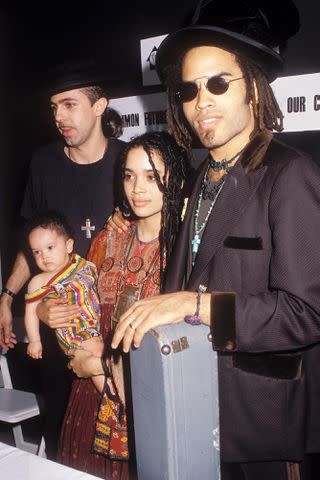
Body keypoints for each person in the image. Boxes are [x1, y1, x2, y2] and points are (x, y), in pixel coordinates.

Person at [111, 1, 320, 479]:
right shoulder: (203, 175)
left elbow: (307, 313)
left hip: (262, 426)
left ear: (253, 85)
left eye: (218, 83)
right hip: (195, 402)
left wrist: (198, 303)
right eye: (188, 89)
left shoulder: (290, 175)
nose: (200, 101)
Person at [0, 59, 126, 459]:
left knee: (119, 442)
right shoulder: (44, 164)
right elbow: (30, 245)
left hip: (114, 331)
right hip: (58, 336)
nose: (58, 116)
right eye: (54, 107)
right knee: (62, 444)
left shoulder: (130, 164)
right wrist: (9, 295)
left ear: (100, 106)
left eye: (69, 105)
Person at [56, 131, 188, 478]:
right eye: (129, 176)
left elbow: (186, 347)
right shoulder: (108, 237)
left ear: (174, 179)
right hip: (89, 399)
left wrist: (99, 363)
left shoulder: (186, 251)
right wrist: (46, 312)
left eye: (152, 177)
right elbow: (77, 302)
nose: (137, 188)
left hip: (149, 406)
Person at [24, 211, 104, 393]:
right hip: (75, 329)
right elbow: (31, 312)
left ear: (68, 245)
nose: (44, 256)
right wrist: (35, 341)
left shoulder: (79, 263)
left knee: (101, 355)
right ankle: (110, 397)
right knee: (98, 355)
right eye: (37, 252)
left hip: (96, 322)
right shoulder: (40, 281)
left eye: (50, 248)